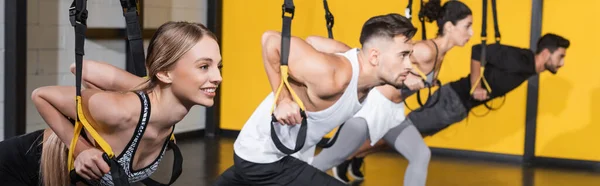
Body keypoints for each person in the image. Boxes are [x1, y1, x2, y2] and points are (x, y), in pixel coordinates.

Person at [0, 21, 223, 186]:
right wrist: (82, 150)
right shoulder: (121, 110)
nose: (217, 77)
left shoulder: (163, 112)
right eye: (204, 66)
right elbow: (42, 95)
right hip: (19, 164)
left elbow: (82, 69)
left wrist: (149, 83)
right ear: (165, 73)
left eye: (218, 66)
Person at [213, 13, 417, 186]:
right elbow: (271, 40)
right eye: (403, 55)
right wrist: (282, 99)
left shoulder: (359, 65)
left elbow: (312, 41)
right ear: (374, 57)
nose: (409, 64)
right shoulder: (332, 76)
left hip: (273, 153)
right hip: (265, 159)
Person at [309, 1, 474, 185]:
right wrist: (407, 78)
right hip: (373, 109)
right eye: (467, 26)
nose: (471, 33)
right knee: (328, 159)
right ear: (450, 27)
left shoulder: (438, 53)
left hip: (393, 113)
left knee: (420, 155)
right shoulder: (426, 50)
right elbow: (388, 60)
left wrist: (425, 82)